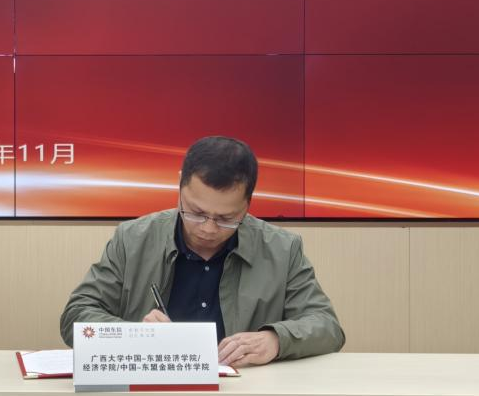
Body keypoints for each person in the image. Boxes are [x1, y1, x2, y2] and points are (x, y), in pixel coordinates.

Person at [60, 136, 344, 367]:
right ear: (180, 185)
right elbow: (76, 315)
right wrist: (135, 335)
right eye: (195, 212)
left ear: (248, 204)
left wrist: (277, 339)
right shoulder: (133, 238)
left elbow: (327, 326)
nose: (208, 228)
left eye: (226, 218)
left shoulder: (282, 249)